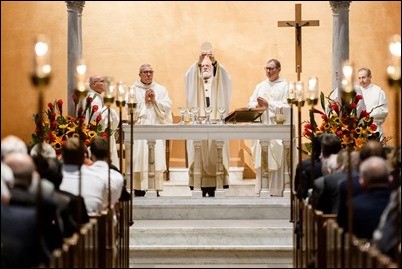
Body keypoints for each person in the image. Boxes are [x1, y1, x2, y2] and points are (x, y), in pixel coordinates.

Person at [184, 42, 231, 197]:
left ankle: (217, 183)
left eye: (208, 66)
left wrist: (215, 61)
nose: (205, 68)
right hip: (198, 122)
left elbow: (224, 77)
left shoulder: (218, 81)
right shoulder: (195, 80)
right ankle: (198, 182)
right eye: (202, 66)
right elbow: (188, 76)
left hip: (216, 122)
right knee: (198, 152)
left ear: (214, 68)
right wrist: (198, 61)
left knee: (215, 153)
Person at [129, 64, 172, 197]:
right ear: (140, 74)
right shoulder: (133, 90)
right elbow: (130, 110)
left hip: (156, 126)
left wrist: (154, 100)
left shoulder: (160, 89)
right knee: (140, 157)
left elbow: (167, 107)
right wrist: (143, 100)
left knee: (156, 157)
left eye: (150, 72)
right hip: (140, 128)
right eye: (145, 72)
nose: (148, 74)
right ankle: (139, 188)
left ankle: (155, 187)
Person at [247, 59, 288, 196]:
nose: (268, 71)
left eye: (271, 69)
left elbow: (287, 107)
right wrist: (259, 106)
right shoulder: (260, 86)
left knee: (276, 155)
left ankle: (276, 191)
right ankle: (262, 189)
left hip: (276, 128)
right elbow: (250, 103)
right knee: (262, 156)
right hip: (263, 128)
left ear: (278, 70)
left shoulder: (285, 86)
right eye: (267, 68)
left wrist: (268, 104)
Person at [79, 74, 120, 170]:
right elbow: (98, 119)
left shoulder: (93, 96)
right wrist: (111, 112)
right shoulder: (93, 99)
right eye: (102, 81)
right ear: (93, 84)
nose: (105, 83)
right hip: (99, 135)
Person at [357, 67, 389, 140]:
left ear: (370, 77)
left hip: (374, 129)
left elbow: (383, 111)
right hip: (358, 130)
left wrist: (367, 115)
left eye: (363, 77)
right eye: (359, 78)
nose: (361, 80)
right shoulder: (356, 91)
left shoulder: (378, 92)